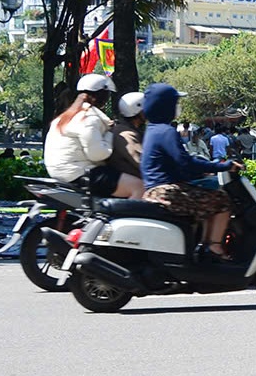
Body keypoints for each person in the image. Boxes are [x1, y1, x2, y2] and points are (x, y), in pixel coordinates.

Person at [139, 84, 240, 259]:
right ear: (166, 106)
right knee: (223, 200)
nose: (177, 107)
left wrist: (201, 171)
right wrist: (223, 166)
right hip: (167, 192)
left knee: (208, 197)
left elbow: (175, 164)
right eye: (175, 103)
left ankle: (203, 248)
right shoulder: (167, 131)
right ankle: (214, 248)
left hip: (155, 190)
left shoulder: (152, 130)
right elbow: (185, 162)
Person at [43, 73, 143, 198]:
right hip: (78, 172)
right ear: (103, 95)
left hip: (62, 172)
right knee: (139, 187)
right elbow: (97, 154)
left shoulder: (68, 115)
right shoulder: (88, 118)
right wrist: (110, 133)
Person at [110, 91, 146, 185]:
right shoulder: (127, 134)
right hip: (136, 184)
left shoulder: (129, 130)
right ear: (138, 111)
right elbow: (143, 163)